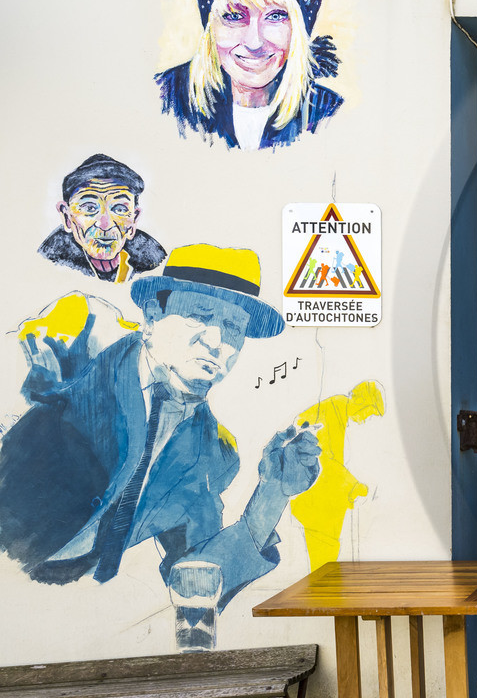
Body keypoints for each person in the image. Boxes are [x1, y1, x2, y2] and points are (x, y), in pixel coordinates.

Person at [0, 244, 322, 632]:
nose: (217, 340)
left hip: (67, 613)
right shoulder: (73, 342)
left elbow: (194, 581)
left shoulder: (212, 453)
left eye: (234, 327)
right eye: (199, 315)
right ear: (153, 314)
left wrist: (272, 495)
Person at [156, 0, 342, 149]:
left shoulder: (328, 115)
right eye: (234, 16)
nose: (254, 42)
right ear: (211, 27)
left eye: (276, 16)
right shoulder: (166, 100)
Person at [38, 155, 167, 283]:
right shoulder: (48, 266)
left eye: (120, 209)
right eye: (89, 208)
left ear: (134, 219)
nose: (105, 224)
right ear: (67, 217)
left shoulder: (154, 264)